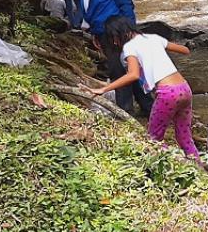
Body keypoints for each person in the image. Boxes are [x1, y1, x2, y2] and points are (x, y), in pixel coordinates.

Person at [84, 16, 198, 158]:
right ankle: (198, 167)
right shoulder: (153, 38)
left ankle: (173, 163)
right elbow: (185, 50)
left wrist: (104, 89)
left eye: (114, 38)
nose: (114, 42)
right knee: (185, 137)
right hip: (184, 88)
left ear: (119, 33)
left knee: (153, 140)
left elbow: (133, 75)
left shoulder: (129, 47)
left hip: (168, 93)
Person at [80, 0, 149, 114]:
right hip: (101, 29)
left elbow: (125, 2)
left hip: (115, 30)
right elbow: (91, 1)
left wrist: (130, 31)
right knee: (125, 69)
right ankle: (147, 106)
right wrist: (92, 29)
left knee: (117, 70)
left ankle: (125, 111)